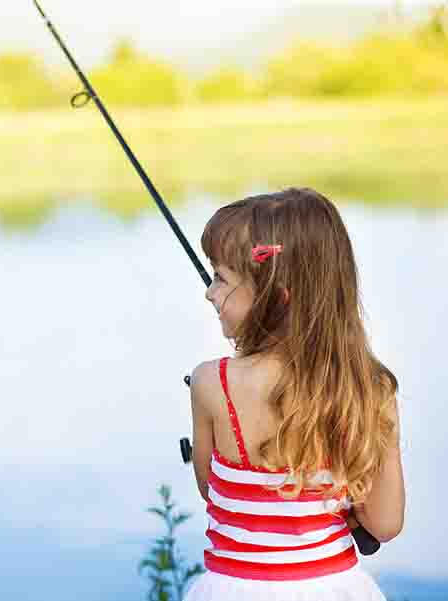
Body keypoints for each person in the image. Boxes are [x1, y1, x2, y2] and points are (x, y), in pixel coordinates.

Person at [185, 188, 404, 600]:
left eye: (221, 278)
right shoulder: (370, 390)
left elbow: (210, 489)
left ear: (277, 297)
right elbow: (385, 524)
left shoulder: (212, 384)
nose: (209, 293)